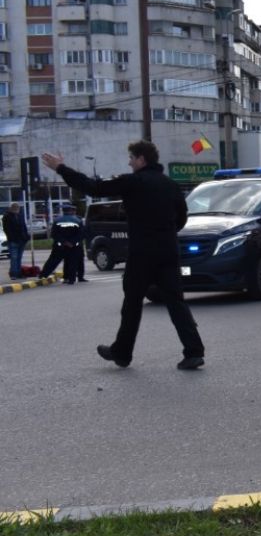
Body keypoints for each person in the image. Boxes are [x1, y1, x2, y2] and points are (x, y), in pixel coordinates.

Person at [41, 141, 205, 370]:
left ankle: (122, 352)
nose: (129, 163)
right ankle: (194, 352)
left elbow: (93, 187)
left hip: (142, 254)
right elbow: (182, 218)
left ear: (141, 159)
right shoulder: (171, 185)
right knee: (176, 302)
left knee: (132, 304)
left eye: (131, 158)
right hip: (168, 251)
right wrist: (164, 233)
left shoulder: (132, 182)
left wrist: (61, 168)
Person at [38, 203, 85, 283]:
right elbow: (81, 234)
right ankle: (71, 279)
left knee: (52, 261)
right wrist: (72, 242)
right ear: (71, 211)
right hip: (73, 246)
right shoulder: (77, 220)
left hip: (59, 246)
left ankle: (43, 275)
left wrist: (63, 242)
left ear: (63, 211)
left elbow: (54, 234)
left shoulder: (57, 220)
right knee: (72, 262)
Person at [3, 202, 31, 281]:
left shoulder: (20, 216)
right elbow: (7, 229)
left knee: (19, 257)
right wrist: (11, 238)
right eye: (15, 208)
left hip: (22, 240)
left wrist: (26, 237)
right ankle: (13, 273)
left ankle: (18, 273)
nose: (16, 209)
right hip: (13, 240)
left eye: (17, 208)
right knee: (14, 257)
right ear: (11, 208)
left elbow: (24, 227)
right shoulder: (7, 217)